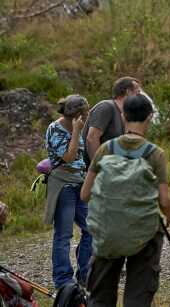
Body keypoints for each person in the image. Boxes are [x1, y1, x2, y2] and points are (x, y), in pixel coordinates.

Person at [81, 94, 170, 307]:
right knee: (138, 295)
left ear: (123, 115)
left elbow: (85, 194)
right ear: (150, 117)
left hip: (108, 231)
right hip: (143, 234)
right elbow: (164, 200)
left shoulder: (105, 149)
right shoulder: (155, 154)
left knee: (100, 297)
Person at [44, 95, 92, 289]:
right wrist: (77, 131)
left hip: (79, 181)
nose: (87, 116)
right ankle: (63, 279)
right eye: (85, 113)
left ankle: (86, 273)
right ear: (76, 114)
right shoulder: (55, 129)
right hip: (63, 184)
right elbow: (69, 156)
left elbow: (82, 156)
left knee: (91, 228)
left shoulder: (78, 126)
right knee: (63, 234)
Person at [82, 76, 141, 164]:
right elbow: (91, 138)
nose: (140, 97)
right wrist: (99, 167)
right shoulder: (106, 107)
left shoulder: (123, 115)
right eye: (138, 93)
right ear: (128, 92)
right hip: (91, 172)